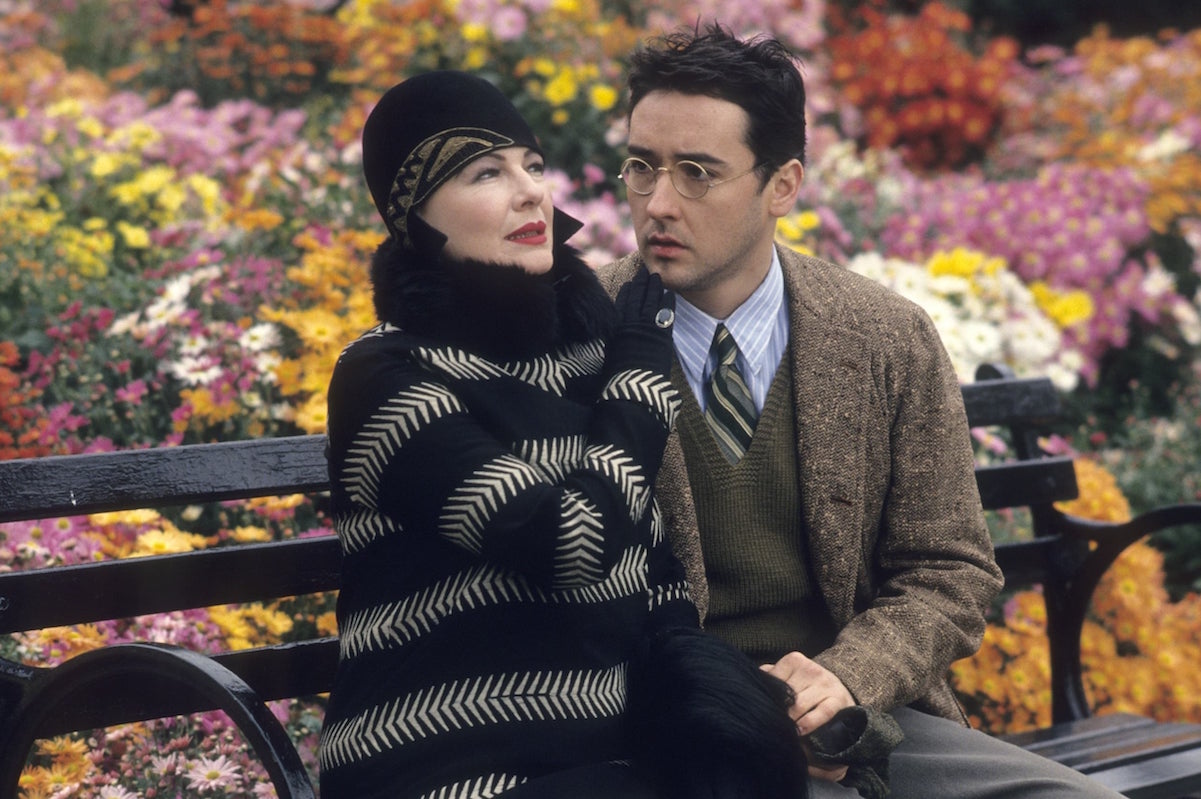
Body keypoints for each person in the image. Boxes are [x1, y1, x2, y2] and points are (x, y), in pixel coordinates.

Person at [318, 69, 886, 799]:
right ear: (414, 217)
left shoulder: (582, 360)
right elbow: (572, 544)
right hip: (447, 766)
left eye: (532, 165)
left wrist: (754, 725)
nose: (529, 192)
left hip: (605, 763)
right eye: (485, 173)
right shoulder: (385, 376)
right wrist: (641, 373)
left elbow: (655, 582)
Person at [598, 24, 1127, 799]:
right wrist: (733, 712)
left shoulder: (883, 335)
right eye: (642, 167)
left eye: (697, 173)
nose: (657, 202)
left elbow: (948, 568)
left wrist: (844, 677)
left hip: (863, 714)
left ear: (782, 185)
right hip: (671, 733)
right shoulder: (578, 333)